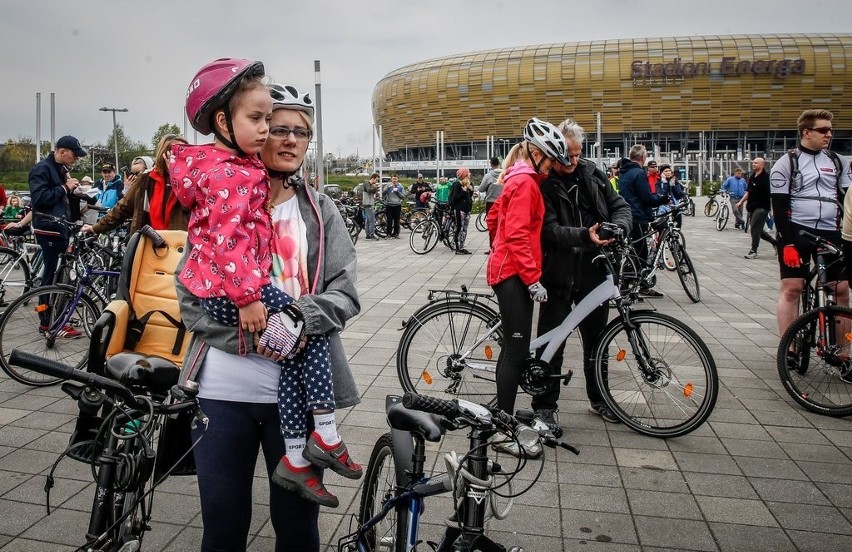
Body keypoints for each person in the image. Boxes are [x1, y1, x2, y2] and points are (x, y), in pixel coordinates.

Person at [175, 79, 360, 552]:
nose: (292, 140)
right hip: (221, 391)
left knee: (298, 530)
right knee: (223, 525)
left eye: (302, 132)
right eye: (278, 128)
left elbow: (345, 293)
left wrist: (300, 317)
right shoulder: (222, 200)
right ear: (253, 132)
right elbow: (190, 295)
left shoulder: (321, 212)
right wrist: (252, 335)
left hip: (297, 395)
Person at [535, 118, 632, 434]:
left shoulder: (592, 172)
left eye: (577, 154)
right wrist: (584, 235)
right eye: (567, 154)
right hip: (558, 274)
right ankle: (545, 407)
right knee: (553, 344)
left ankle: (600, 399)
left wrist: (619, 226)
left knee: (597, 341)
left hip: (593, 271)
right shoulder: (544, 181)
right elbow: (548, 231)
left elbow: (620, 206)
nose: (572, 161)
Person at [486, 117, 569, 452]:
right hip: (514, 275)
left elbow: (495, 220)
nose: (550, 167)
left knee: (512, 348)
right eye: (548, 159)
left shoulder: (516, 177)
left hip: (509, 269)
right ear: (535, 153)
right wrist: (532, 278)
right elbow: (518, 234)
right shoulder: (526, 183)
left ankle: (502, 420)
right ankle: (502, 431)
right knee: (516, 353)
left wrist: (499, 249)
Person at [770, 108, 851, 343]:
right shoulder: (787, 162)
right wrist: (787, 243)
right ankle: (789, 347)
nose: (829, 135)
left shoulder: (837, 161)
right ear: (806, 132)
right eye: (823, 130)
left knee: (841, 289)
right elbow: (779, 205)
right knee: (792, 287)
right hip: (798, 230)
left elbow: (848, 196)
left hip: (831, 231)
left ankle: (844, 352)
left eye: (831, 130)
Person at [28, 134, 87, 337]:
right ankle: (48, 322)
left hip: (60, 228)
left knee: (58, 276)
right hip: (48, 229)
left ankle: (53, 320)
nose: (76, 159)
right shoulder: (42, 169)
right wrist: (64, 187)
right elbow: (40, 198)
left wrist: (78, 195)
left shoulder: (61, 170)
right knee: (51, 279)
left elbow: (61, 198)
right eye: (74, 155)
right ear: (62, 152)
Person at [81, 134, 190, 235]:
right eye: (175, 152)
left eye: (185, 152)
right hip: (150, 244)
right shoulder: (147, 179)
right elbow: (123, 208)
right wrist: (96, 228)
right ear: (164, 154)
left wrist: (178, 176)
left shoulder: (192, 181)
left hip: (182, 246)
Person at [618, 145, 670, 298]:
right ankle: (628, 287)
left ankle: (637, 285)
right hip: (638, 216)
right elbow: (646, 197)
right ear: (642, 158)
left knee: (636, 251)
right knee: (639, 253)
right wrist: (661, 200)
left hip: (627, 216)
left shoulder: (624, 171)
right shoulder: (639, 173)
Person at [739, 157, 777, 259]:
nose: (753, 164)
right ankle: (774, 242)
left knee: (754, 228)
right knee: (757, 229)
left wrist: (773, 209)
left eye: (755, 163)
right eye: (753, 163)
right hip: (752, 206)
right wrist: (740, 202)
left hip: (762, 207)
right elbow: (748, 192)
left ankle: (753, 250)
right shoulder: (752, 177)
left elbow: (771, 194)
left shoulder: (766, 178)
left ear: (761, 165)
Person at [478, 156, 503, 250]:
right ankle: (501, 246)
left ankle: (492, 247)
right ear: (499, 163)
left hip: (491, 203)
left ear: (491, 164)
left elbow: (481, 189)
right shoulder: (505, 174)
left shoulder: (488, 176)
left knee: (492, 226)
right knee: (502, 225)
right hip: (503, 202)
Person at [449, 167, 474, 254]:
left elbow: (469, 197)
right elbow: (455, 198)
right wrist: (463, 191)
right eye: (468, 173)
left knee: (465, 229)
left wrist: (470, 190)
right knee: (459, 228)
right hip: (460, 210)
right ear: (464, 175)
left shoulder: (468, 184)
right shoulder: (457, 185)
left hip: (467, 210)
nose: (470, 174)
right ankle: (457, 248)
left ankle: (462, 246)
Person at [359, 173, 380, 239]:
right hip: (368, 203)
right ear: (373, 178)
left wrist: (375, 189)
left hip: (369, 203)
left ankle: (368, 234)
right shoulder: (366, 183)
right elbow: (369, 190)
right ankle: (371, 234)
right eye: (376, 180)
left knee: (368, 219)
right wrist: (376, 187)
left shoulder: (371, 185)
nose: (376, 181)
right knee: (372, 219)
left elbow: (374, 192)